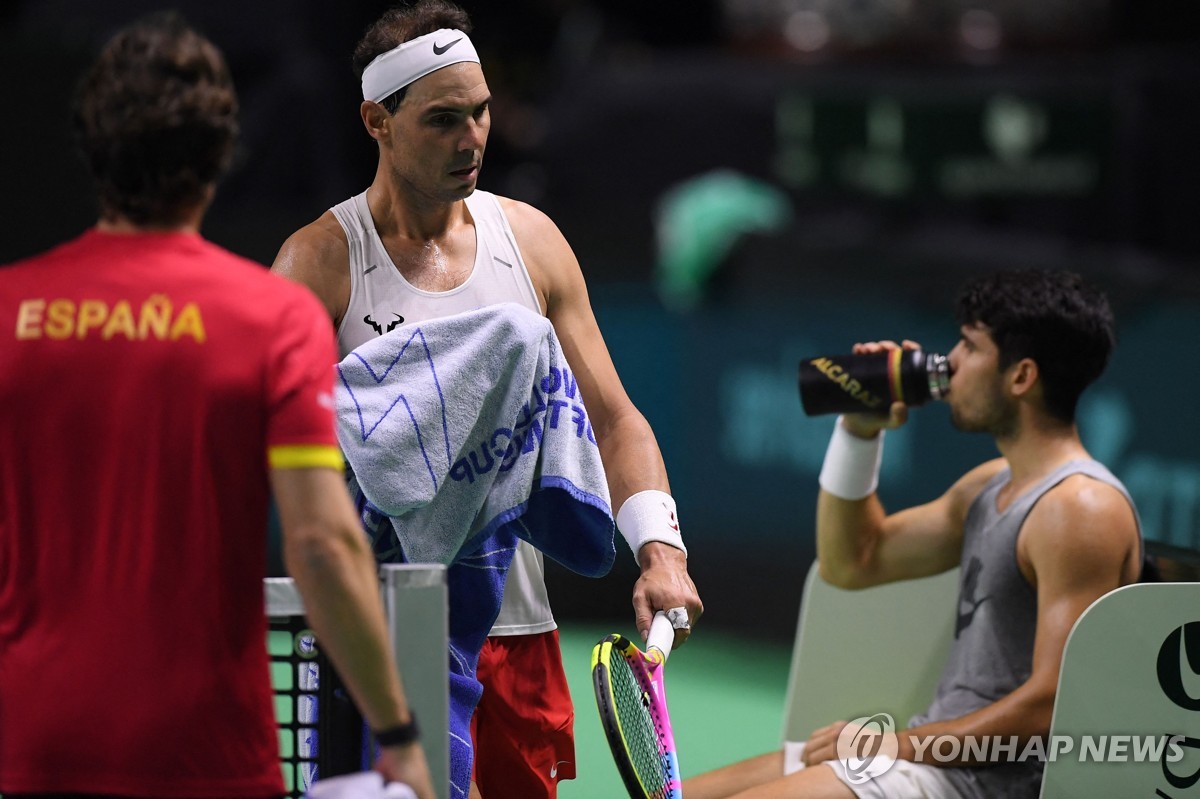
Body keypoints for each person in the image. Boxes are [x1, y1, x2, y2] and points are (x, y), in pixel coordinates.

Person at [270, 1, 704, 797]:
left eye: (480, 112)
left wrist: (660, 547)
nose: (472, 139)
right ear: (378, 120)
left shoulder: (530, 241)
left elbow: (614, 418)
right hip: (386, 634)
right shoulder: (320, 264)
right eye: (442, 120)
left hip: (521, 636)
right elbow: (273, 452)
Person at [0, 13, 434, 799]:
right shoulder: (271, 318)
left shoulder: (8, 313)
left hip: (31, 742)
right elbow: (323, 546)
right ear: (219, 155)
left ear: (91, 148)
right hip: (208, 752)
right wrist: (398, 731)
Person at [684, 269, 1142, 799]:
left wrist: (893, 745)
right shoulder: (989, 486)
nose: (949, 363)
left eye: (970, 347)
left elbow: (1050, 705)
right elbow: (852, 560)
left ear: (1021, 377)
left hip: (976, 784)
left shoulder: (1079, 509)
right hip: (928, 763)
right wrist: (859, 432)